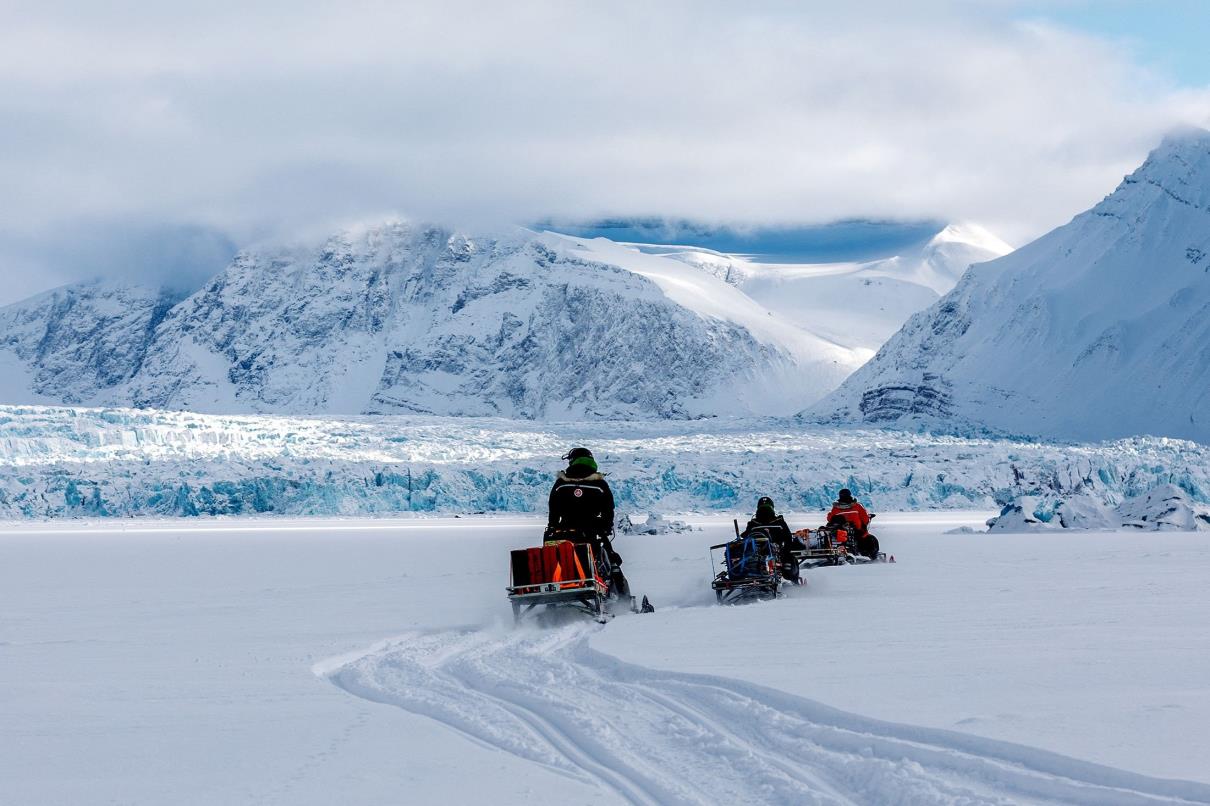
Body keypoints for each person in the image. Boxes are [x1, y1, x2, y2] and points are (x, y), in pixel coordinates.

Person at [546, 447, 629, 596]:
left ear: (572, 461)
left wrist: (552, 527)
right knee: (613, 560)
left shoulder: (561, 483)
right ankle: (624, 600)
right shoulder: (599, 484)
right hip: (592, 532)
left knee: (557, 558)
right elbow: (608, 509)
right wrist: (606, 527)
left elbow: (553, 508)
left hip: (564, 532)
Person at [743, 496, 803, 584]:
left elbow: (745, 536)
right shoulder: (779, 521)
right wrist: (786, 550)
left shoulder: (753, 523)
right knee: (790, 558)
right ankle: (795, 582)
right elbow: (788, 537)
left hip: (756, 551)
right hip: (775, 551)